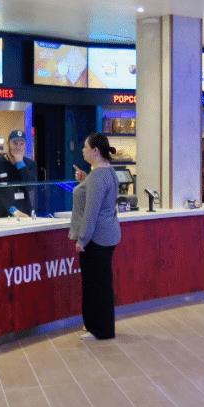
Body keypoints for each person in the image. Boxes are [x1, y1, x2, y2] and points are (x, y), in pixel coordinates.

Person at [69, 133, 121, 340]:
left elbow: (91, 212)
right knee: (101, 283)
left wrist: (82, 239)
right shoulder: (105, 172)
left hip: (96, 239)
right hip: (107, 235)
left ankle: (100, 329)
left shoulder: (98, 176)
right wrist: (86, 179)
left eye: (85, 146)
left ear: (95, 151)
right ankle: (100, 326)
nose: (82, 150)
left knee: (95, 285)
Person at [0, 129, 37, 217]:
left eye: (22, 144)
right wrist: (14, 211)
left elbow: (30, 187)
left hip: (26, 212)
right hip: (5, 213)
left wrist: (20, 164)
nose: (18, 147)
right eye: (15, 143)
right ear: (8, 143)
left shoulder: (30, 164)